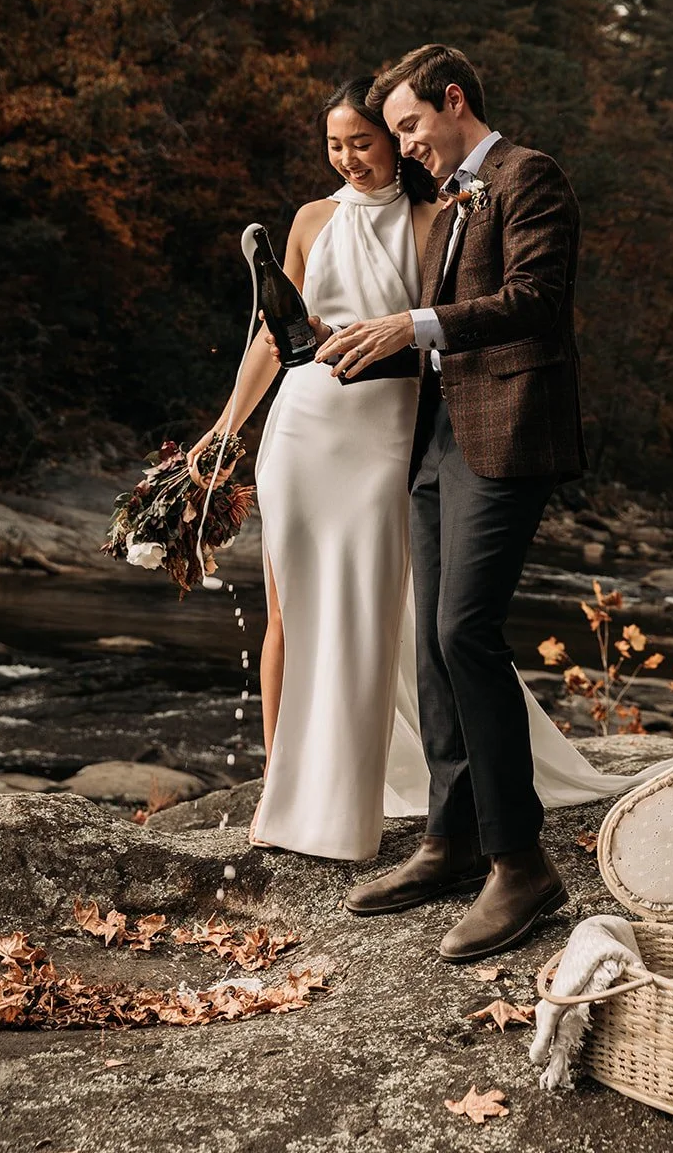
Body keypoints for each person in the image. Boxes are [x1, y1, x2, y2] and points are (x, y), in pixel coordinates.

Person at [318, 43, 593, 961]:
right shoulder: (441, 205)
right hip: (436, 441)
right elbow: (437, 346)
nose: (404, 147)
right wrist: (348, 348)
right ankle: (451, 839)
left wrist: (413, 323)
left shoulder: (528, 175)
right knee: (432, 637)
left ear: (453, 101)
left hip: (510, 435)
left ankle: (521, 866)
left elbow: (533, 302)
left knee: (465, 631)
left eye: (406, 127)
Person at [188, 77, 444, 858]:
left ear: (395, 140)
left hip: (385, 429)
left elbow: (445, 337)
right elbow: (272, 336)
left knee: (370, 613)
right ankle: (279, 786)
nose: (347, 158)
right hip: (300, 427)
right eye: (334, 145)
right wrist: (226, 427)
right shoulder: (307, 220)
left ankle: (350, 802)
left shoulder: (434, 219)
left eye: (361, 142)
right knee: (287, 612)